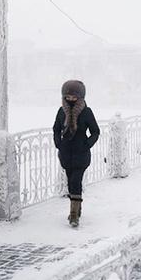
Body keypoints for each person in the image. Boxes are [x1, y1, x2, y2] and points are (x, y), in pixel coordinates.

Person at [53, 80, 100, 227]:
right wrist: (58, 144)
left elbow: (95, 132)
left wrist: (86, 145)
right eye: (68, 97)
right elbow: (55, 129)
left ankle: (73, 215)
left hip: (81, 154)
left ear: (80, 97)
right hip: (66, 153)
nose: (71, 99)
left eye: (74, 97)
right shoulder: (61, 112)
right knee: (70, 182)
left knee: (75, 181)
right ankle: (77, 208)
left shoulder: (86, 112)